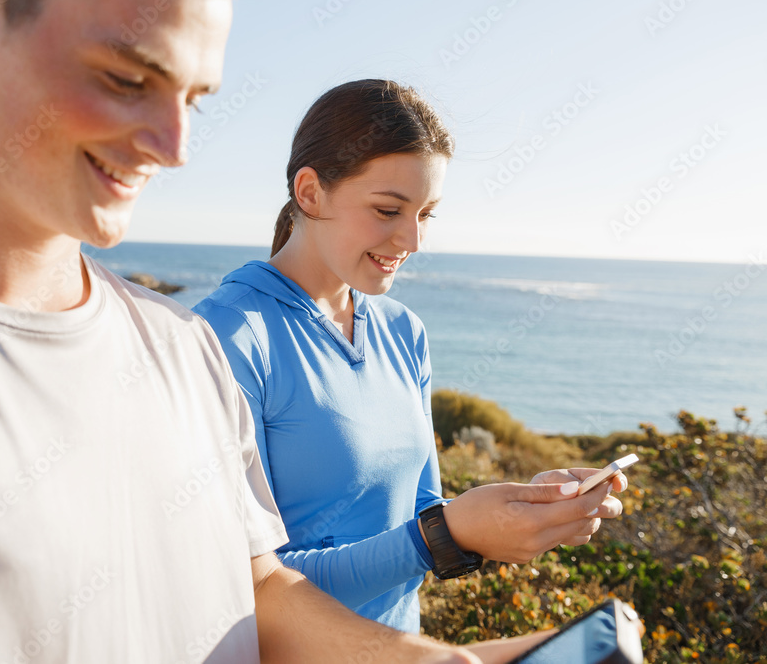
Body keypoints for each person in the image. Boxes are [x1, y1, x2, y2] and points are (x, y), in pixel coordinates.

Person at [0, 0, 562, 663]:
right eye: (125, 77)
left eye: (195, 99)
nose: (176, 148)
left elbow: (259, 601)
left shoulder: (183, 352)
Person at [193, 79, 628, 634]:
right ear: (310, 193)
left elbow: (419, 510)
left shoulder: (404, 331)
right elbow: (243, 586)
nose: (413, 241)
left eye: (426, 214)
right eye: (388, 210)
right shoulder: (226, 337)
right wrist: (443, 536)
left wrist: (522, 507)